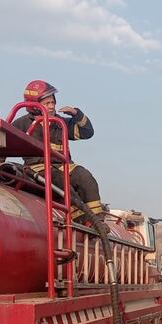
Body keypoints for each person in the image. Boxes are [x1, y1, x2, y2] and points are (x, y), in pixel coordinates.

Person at [12, 80, 105, 220]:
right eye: (46, 103)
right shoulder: (22, 123)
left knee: (85, 177)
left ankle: (97, 220)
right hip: (38, 168)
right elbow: (4, 143)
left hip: (64, 166)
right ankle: (80, 218)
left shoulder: (61, 123)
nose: (51, 106)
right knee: (61, 181)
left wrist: (77, 114)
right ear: (34, 106)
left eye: (52, 102)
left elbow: (87, 132)